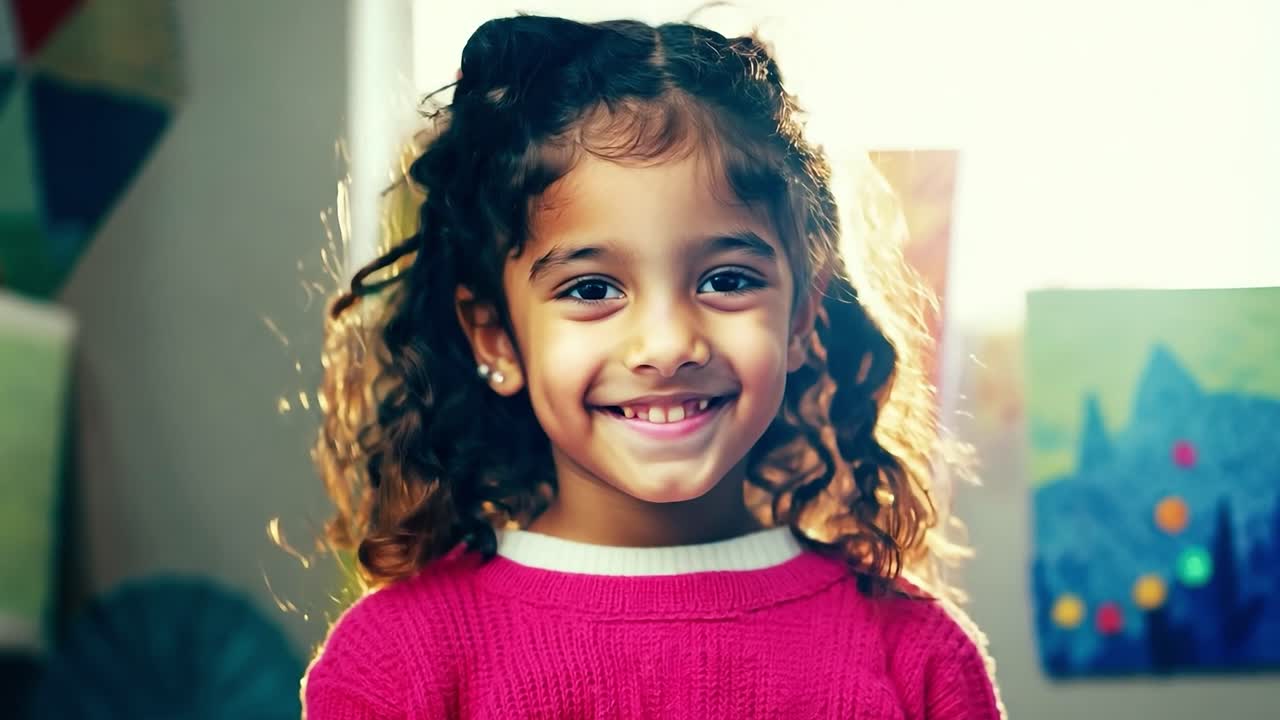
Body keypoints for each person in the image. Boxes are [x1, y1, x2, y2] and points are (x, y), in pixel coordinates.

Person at [303, 13, 1003, 719]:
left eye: (726, 280)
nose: (667, 345)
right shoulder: (399, 661)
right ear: (497, 339)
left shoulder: (917, 656)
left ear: (800, 318)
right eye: (591, 289)